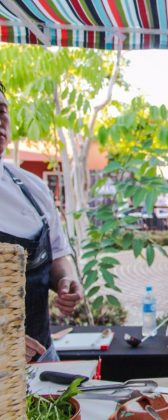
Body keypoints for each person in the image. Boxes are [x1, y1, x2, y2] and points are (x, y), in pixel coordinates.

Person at [0, 81, 83, 362]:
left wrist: (66, 280)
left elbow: (57, 254)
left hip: (41, 358)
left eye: (2, 113)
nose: (0, 123)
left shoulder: (31, 187)